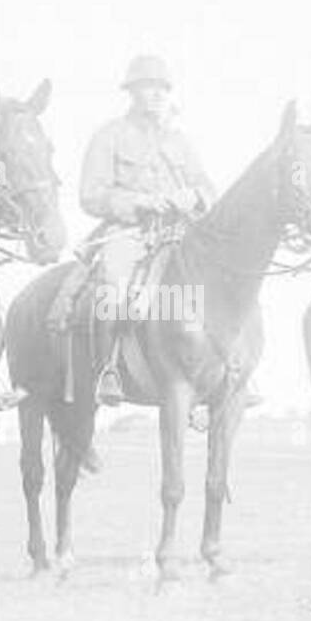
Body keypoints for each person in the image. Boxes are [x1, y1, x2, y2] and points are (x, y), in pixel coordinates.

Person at [78, 54, 216, 406]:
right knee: (113, 280)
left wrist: (193, 196)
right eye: (148, 87)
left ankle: (230, 367)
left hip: (181, 232)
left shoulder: (180, 140)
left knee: (223, 279)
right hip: (131, 231)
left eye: (162, 88)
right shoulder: (109, 136)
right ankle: (108, 369)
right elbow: (91, 195)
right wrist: (138, 201)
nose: (156, 95)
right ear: (132, 92)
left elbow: (208, 190)